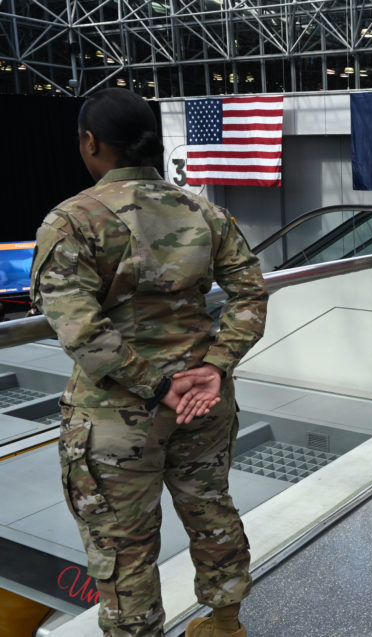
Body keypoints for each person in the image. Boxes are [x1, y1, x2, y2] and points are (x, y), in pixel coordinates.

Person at [30, 88, 269, 637]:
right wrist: (214, 366)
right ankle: (226, 622)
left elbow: (79, 328)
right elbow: (250, 293)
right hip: (203, 401)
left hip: (116, 417)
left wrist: (157, 385)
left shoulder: (72, 221)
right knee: (210, 508)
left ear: (92, 143)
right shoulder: (205, 211)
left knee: (123, 545)